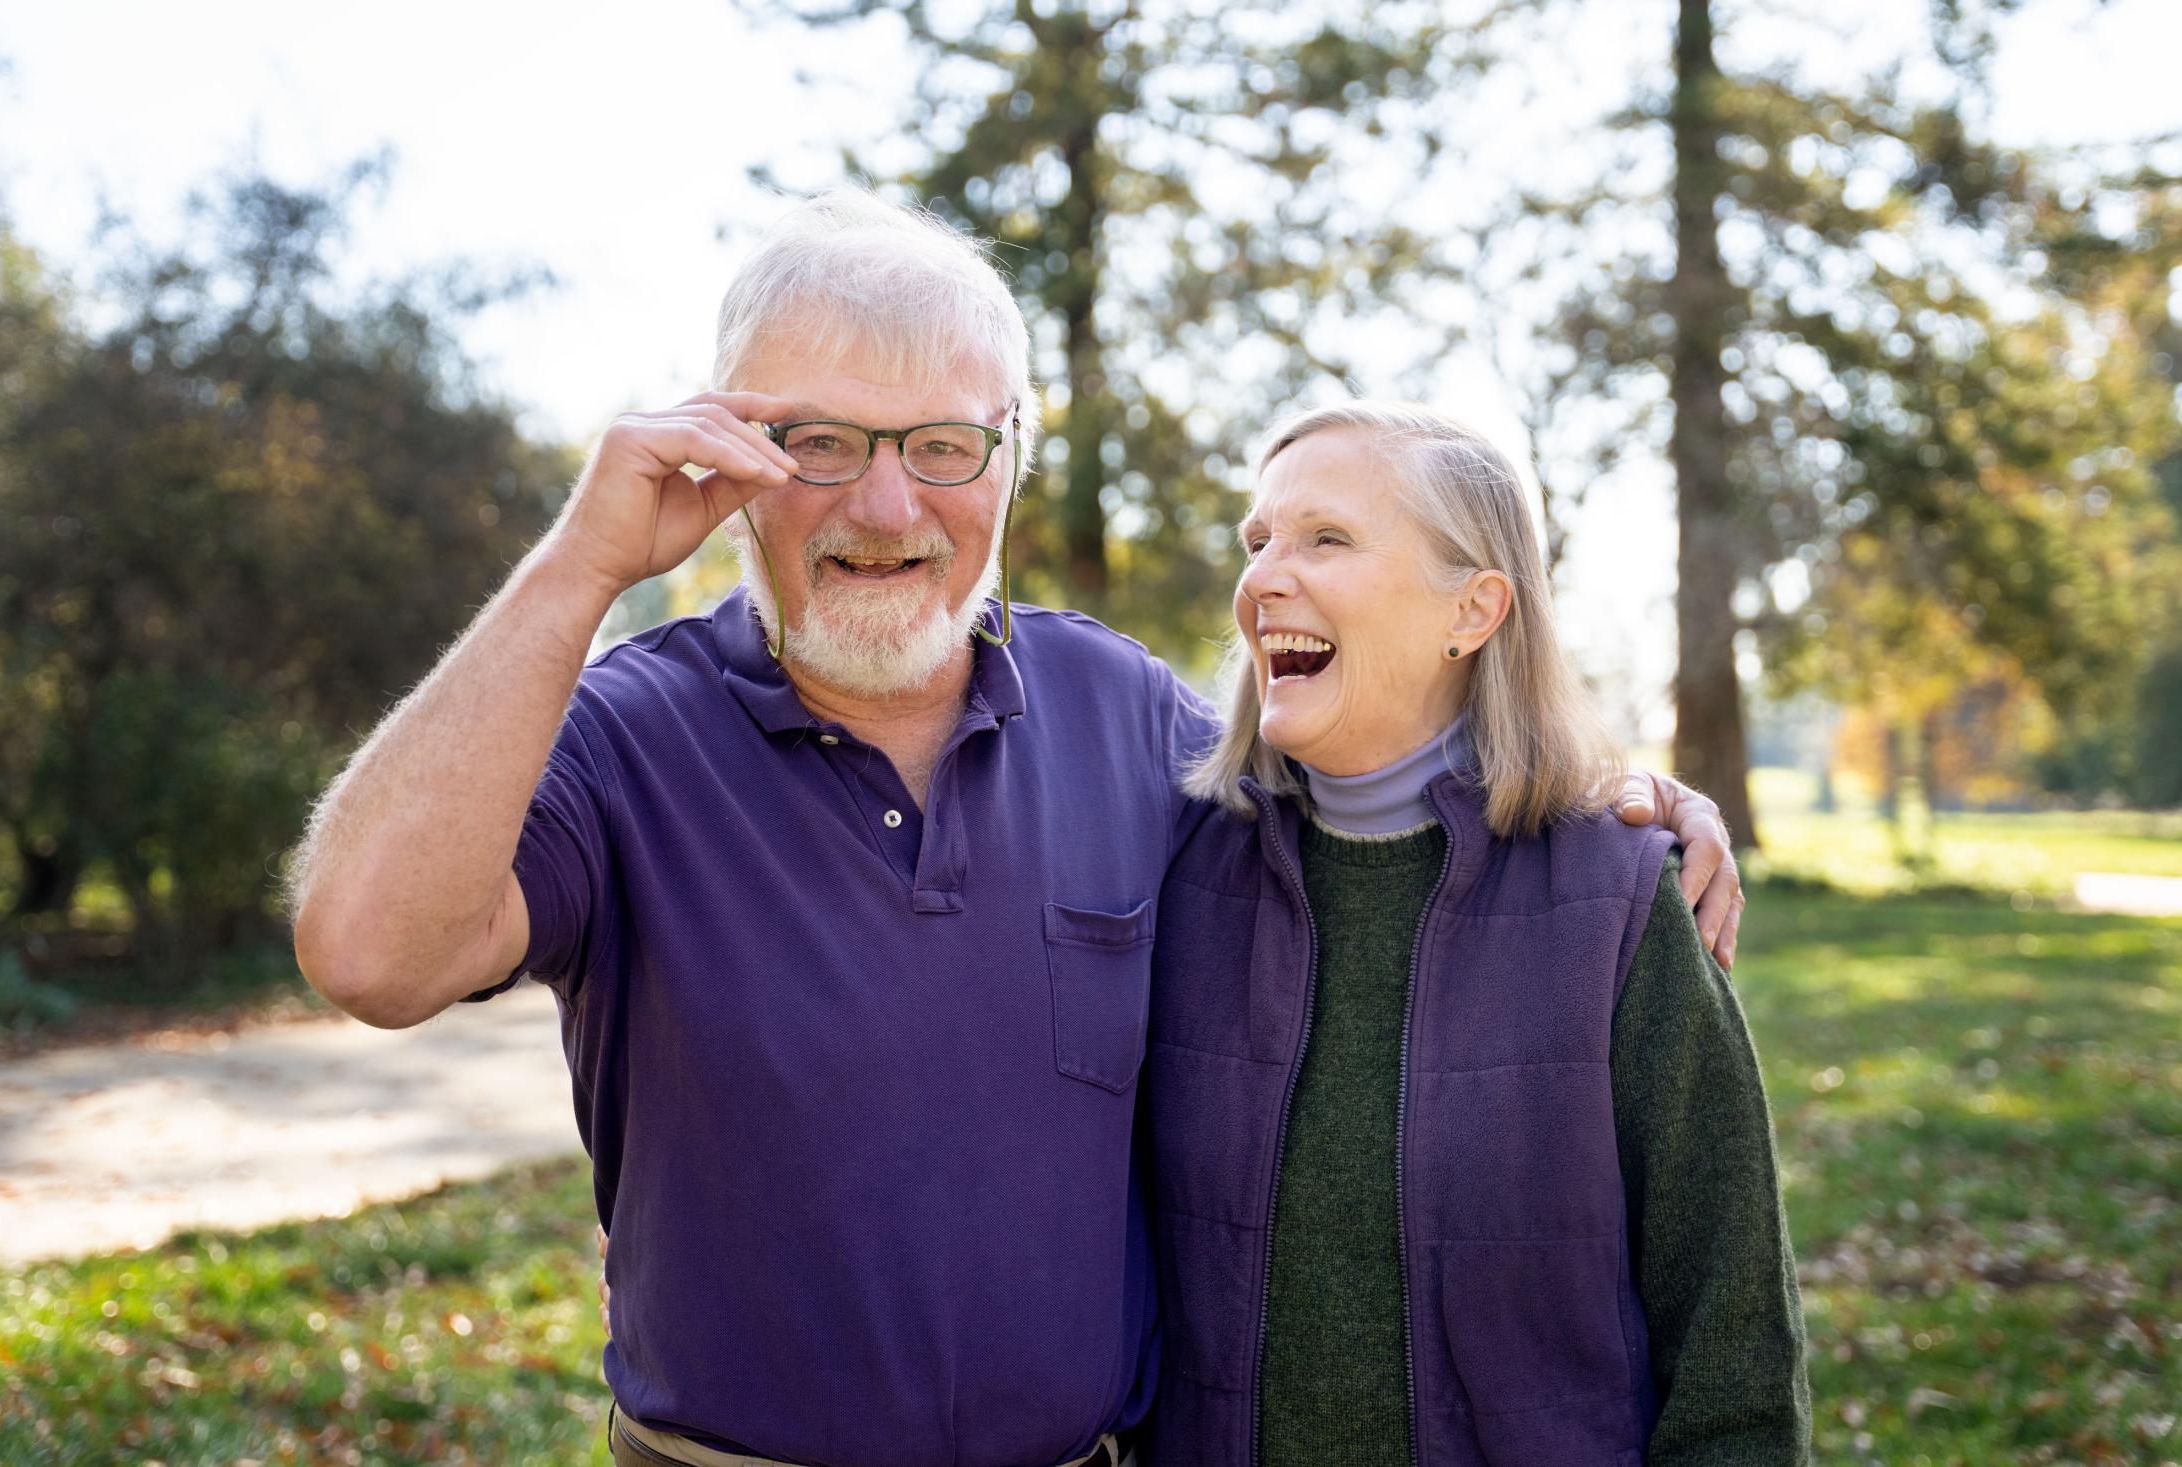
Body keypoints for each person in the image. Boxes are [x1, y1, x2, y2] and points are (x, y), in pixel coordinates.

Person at [288, 190, 1743, 1467]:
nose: (882, 502)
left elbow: (1380, 785)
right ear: (722, 454)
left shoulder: (1124, 713)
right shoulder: (624, 733)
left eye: (940, 445)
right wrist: (582, 560)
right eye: (817, 442)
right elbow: (367, 948)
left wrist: (1609, 806)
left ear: (1013, 455)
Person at [1143, 402, 1808, 1466]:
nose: (1261, 577)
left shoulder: (1622, 903)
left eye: (1326, 538)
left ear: (1475, 608)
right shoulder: (1172, 870)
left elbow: (1731, 1349)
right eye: (1256, 540)